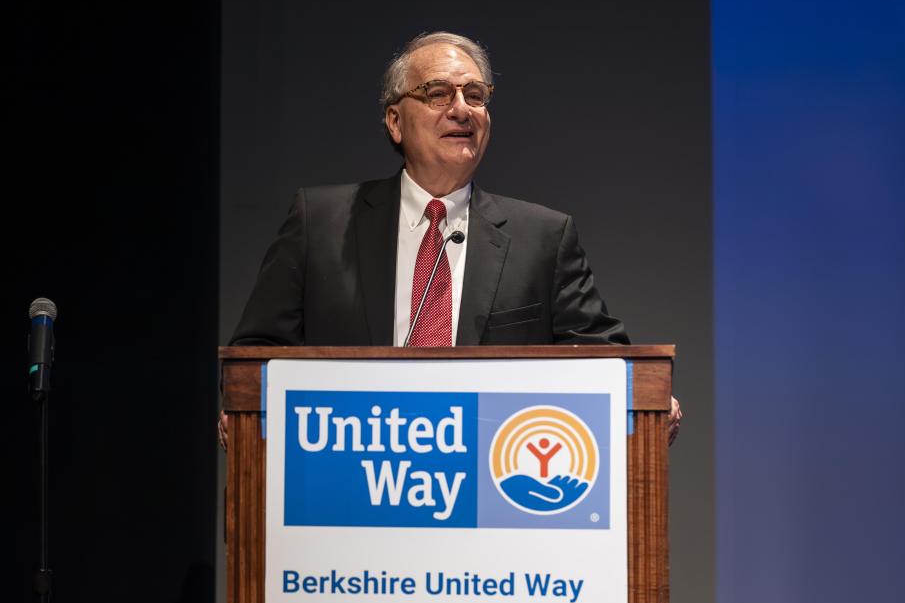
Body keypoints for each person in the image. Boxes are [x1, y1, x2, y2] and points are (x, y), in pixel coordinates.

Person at [220, 31, 681, 445]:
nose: (462, 109)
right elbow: (258, 355)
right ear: (395, 122)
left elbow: (603, 359)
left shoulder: (542, 237)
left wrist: (644, 397)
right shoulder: (320, 223)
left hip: (487, 495)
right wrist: (245, 410)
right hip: (349, 483)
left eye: (476, 95)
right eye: (437, 93)